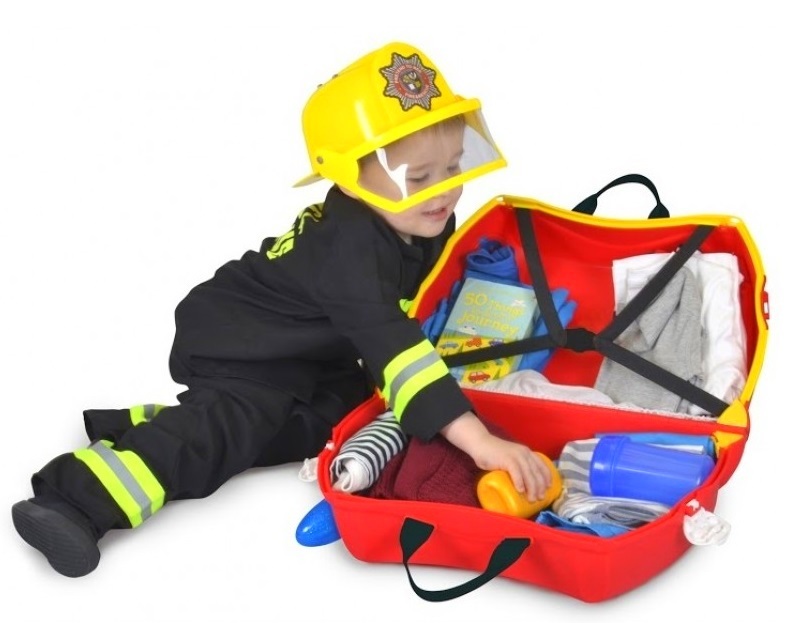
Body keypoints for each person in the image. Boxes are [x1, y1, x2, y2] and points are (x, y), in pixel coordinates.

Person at [11, 41, 552, 578]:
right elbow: (390, 341)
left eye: (454, 167)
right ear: (349, 179)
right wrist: (479, 441)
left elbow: (403, 311)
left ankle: (149, 426)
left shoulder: (418, 217)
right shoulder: (350, 250)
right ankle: (73, 500)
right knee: (230, 428)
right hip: (241, 343)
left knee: (341, 420)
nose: (444, 192)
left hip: (312, 353)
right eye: (418, 178)